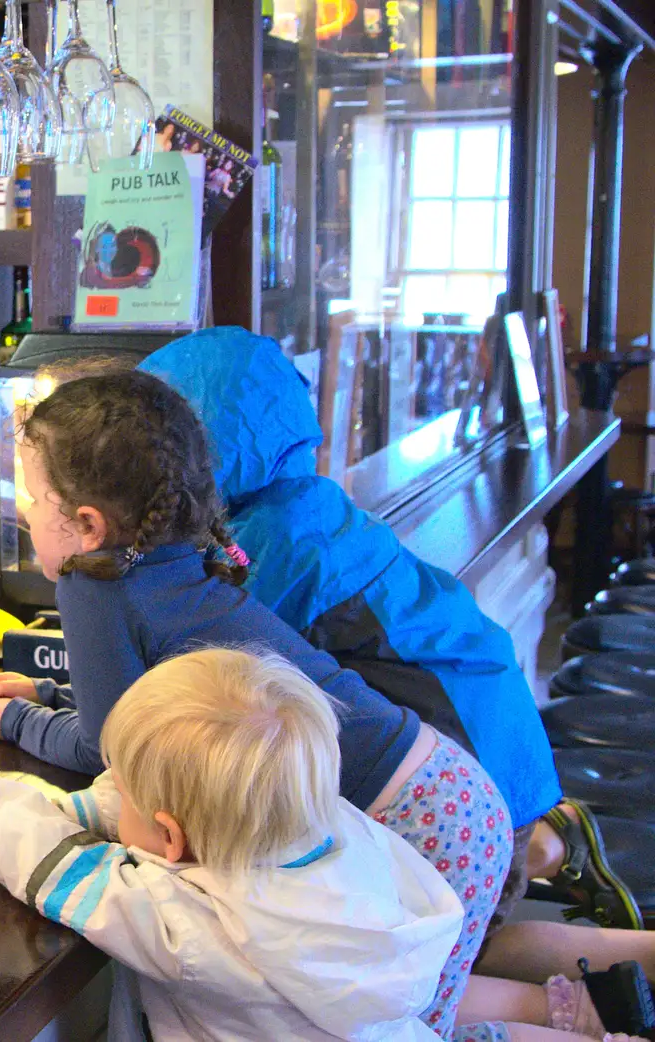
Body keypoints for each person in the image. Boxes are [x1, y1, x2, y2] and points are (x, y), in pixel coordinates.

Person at [0, 369, 632, 1039]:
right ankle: (594, 1009)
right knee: (412, 1011)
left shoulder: (93, 584)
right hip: (451, 792)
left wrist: (20, 721)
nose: (21, 508)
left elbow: (112, 753)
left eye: (32, 494)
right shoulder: (176, 559)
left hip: (412, 820)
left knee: (399, 1029)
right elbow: (141, 705)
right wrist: (53, 697)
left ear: (86, 525)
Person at [134, 327, 655, 1025]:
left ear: (194, 447)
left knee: (422, 980)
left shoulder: (267, 547)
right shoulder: (308, 507)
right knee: (479, 939)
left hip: (463, 787)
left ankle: (585, 1019)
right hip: (497, 762)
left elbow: (210, 682)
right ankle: (629, 968)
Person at [0, 648, 467, 1041]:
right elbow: (142, 818)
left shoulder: (199, 931)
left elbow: (64, 869)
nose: (111, 790)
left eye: (117, 783)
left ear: (171, 839)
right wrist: (69, 809)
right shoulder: (332, 827)